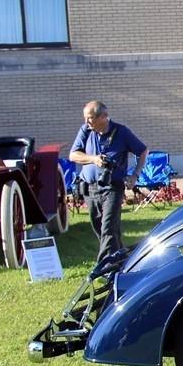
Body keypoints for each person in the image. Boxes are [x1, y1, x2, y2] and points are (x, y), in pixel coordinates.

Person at [69, 100, 147, 263]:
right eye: (85, 117)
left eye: (90, 118)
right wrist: (94, 159)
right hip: (90, 188)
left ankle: (104, 267)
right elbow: (73, 155)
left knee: (108, 228)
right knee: (101, 230)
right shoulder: (85, 130)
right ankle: (122, 261)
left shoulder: (122, 132)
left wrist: (135, 175)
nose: (86, 121)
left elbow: (143, 151)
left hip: (113, 187)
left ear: (103, 116)